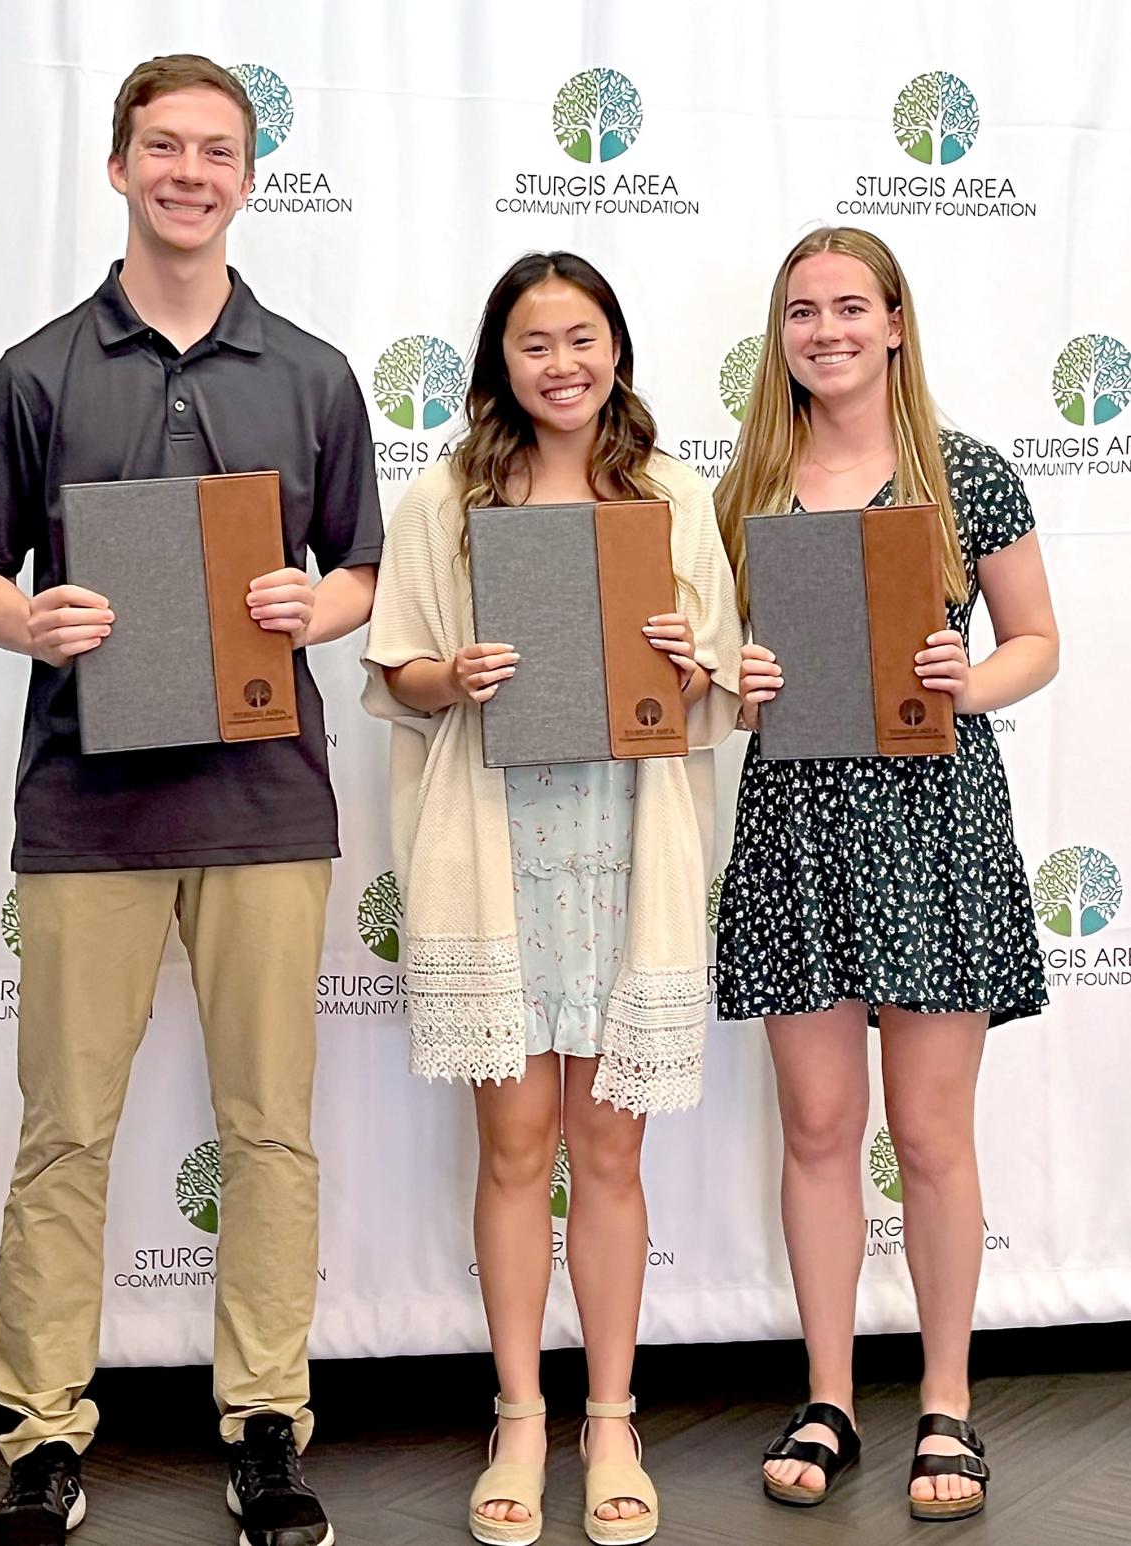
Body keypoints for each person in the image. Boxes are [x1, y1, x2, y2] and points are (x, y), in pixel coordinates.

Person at [0, 54, 381, 1546]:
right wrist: (30, 622)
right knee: (65, 1130)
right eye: (163, 147)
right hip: (86, 812)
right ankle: (43, 1436)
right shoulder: (37, 369)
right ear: (119, 168)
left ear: (249, 176)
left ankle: (266, 1425)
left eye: (217, 150)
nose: (190, 172)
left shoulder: (315, 373)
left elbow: (360, 571)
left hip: (267, 804)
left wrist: (311, 611)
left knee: (272, 1130)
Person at [363, 250, 741, 1545]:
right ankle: (519, 1414)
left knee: (611, 1148)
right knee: (516, 1145)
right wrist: (446, 676)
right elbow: (393, 669)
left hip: (624, 841)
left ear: (617, 351)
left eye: (581, 338)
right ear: (498, 365)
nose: (561, 363)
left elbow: (722, 682)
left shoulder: (674, 497)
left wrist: (693, 664)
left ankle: (612, 1415)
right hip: (494, 845)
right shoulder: (441, 501)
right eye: (534, 343)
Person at [713, 226, 1058, 1523]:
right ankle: (826, 1393)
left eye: (849, 307)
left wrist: (969, 679)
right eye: (800, 311)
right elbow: (710, 677)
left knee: (925, 1131)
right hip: (796, 817)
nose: (826, 331)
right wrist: (732, 682)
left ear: (896, 322)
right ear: (780, 334)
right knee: (814, 1128)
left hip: (931, 816)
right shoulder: (742, 484)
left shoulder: (966, 472)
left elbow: (1035, 640)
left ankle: (947, 1401)